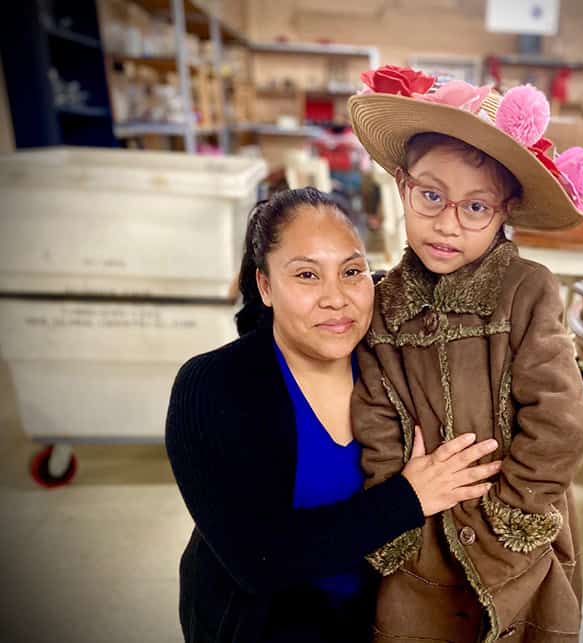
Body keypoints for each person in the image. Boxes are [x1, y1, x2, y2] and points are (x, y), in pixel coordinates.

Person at [165, 187, 502, 642]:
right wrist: (410, 497)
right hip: (264, 625)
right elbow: (259, 560)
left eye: (351, 271)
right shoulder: (212, 387)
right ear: (265, 285)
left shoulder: (395, 356)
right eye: (307, 275)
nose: (337, 298)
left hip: (382, 619)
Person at [348, 67, 583, 642]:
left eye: (475, 207)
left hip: (519, 534)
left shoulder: (528, 290)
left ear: (504, 210)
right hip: (422, 530)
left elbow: (562, 418)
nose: (447, 223)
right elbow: (376, 412)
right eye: (430, 195)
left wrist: (514, 512)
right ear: (402, 185)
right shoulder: (382, 304)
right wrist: (396, 504)